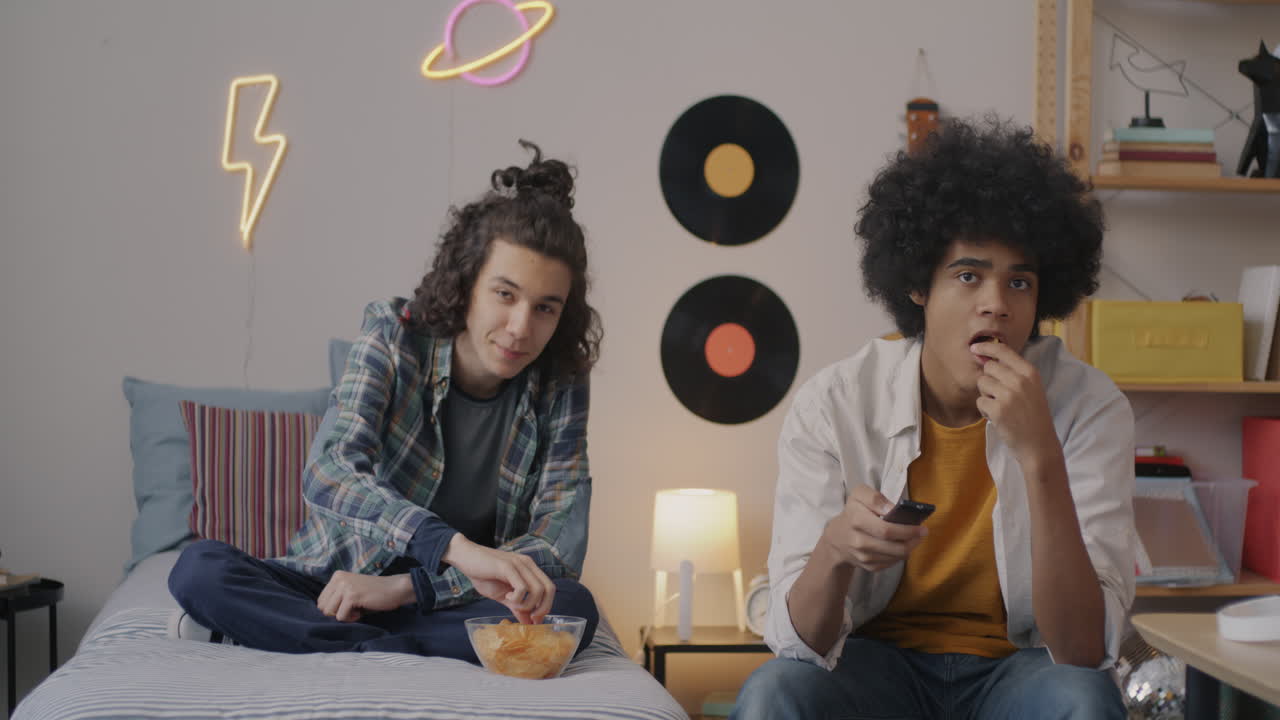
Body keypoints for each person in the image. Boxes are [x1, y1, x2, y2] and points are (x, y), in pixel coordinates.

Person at [732, 117, 1135, 719]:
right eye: (969, 275)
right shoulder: (834, 404)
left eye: (1019, 282)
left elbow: (1080, 652)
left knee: (1083, 699)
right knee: (773, 692)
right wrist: (836, 549)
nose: (996, 304)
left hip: (1018, 670)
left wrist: (1040, 456)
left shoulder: (1089, 406)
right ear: (919, 285)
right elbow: (799, 646)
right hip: (875, 666)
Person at [168, 140, 604, 663]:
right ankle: (402, 648)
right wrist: (452, 548)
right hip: (333, 586)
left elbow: (557, 547)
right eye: (505, 295)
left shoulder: (560, 382)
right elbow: (331, 471)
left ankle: (335, 644)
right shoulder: (393, 334)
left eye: (545, 308)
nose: (520, 328)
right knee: (200, 569)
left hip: (443, 602)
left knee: (576, 605)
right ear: (468, 283)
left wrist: (409, 589)